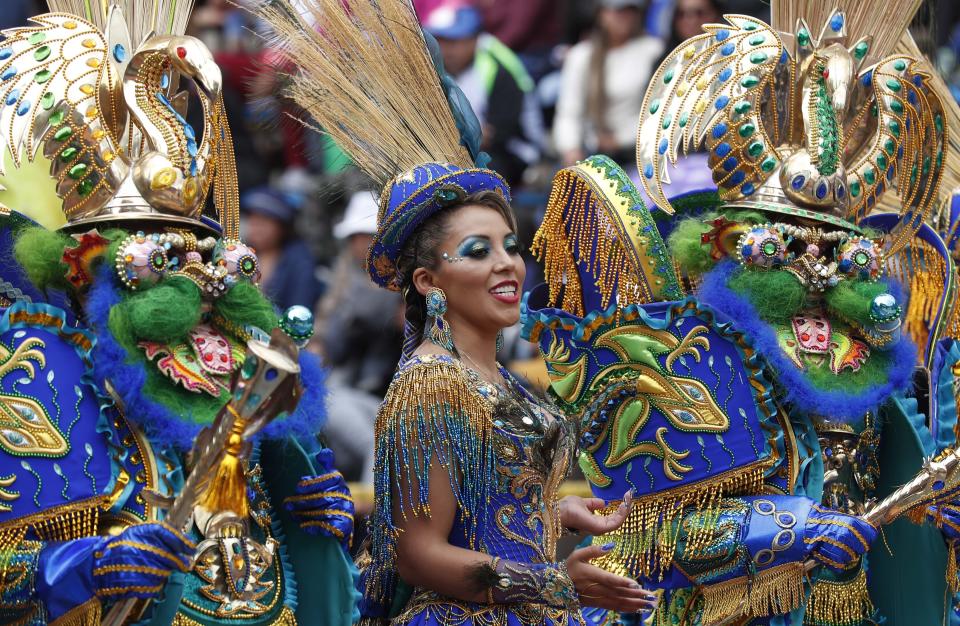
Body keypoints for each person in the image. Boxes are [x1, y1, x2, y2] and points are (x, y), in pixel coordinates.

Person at [525, 1, 960, 624]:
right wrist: (795, 530)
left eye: (838, 248)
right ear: (737, 244)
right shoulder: (697, 350)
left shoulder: (877, 366)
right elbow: (654, 541)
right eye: (789, 243)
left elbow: (901, 516)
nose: (816, 264)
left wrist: (939, 524)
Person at [256, 2, 660, 625]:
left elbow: (482, 518)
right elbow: (418, 555)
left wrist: (553, 517)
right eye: (478, 251)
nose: (507, 264)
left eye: (510, 246)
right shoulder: (433, 384)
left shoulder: (490, 377)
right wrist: (557, 583)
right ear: (428, 281)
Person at [0, 3, 358, 624]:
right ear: (88, 275)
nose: (195, 288)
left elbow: (306, 565)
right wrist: (85, 567)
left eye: (206, 261)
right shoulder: (37, 370)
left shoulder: (250, 384)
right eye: (159, 264)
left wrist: (317, 521)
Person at [423, 4, 545, 186]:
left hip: (509, 150)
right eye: (440, 40)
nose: (446, 49)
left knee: (482, 176)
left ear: (474, 40)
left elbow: (499, 131)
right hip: (453, 149)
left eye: (454, 41)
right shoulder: (432, 67)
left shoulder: (498, 68)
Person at [553, 0, 663, 169]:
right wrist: (571, 149)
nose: (623, 17)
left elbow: (659, 113)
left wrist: (620, 139)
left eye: (630, 10)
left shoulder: (653, 50)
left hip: (637, 152)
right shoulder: (581, 55)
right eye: (616, 10)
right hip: (590, 150)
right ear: (600, 13)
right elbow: (569, 112)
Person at [241, 186, 323, 311]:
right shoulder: (240, 253)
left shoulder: (299, 260)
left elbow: (300, 309)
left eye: (264, 220)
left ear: (282, 227)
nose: (256, 227)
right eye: (253, 219)